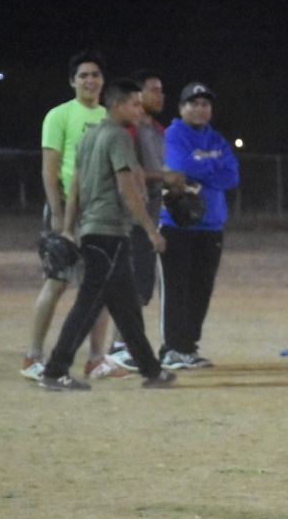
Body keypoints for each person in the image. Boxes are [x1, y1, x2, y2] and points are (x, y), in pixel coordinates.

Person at [38, 79, 176, 391]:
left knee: (126, 308)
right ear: (118, 106)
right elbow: (127, 188)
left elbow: (74, 186)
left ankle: (151, 370)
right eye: (135, 104)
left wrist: (69, 228)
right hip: (109, 232)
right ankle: (55, 369)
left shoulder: (90, 137)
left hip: (93, 230)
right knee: (87, 306)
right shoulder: (117, 137)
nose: (140, 110)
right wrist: (151, 230)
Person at [21, 50, 127, 382]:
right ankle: (32, 356)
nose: (90, 80)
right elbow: (49, 169)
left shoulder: (109, 118)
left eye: (95, 75)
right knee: (57, 282)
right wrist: (57, 213)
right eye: (83, 75)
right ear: (72, 81)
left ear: (103, 81)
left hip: (99, 211)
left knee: (100, 287)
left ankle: (97, 359)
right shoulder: (59, 116)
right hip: (67, 207)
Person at [153, 81, 238, 370]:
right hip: (177, 225)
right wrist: (210, 168)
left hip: (211, 226)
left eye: (205, 104)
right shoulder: (174, 134)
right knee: (175, 289)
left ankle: (188, 347)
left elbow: (232, 176)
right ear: (181, 108)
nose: (201, 109)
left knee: (200, 290)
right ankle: (170, 349)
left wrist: (200, 171)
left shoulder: (216, 138)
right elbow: (180, 165)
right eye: (194, 103)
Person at [108, 70, 177, 363]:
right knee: (137, 286)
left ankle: (119, 345)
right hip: (132, 218)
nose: (160, 95)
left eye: (162, 90)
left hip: (149, 214)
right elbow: (128, 173)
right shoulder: (130, 131)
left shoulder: (158, 130)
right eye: (153, 90)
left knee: (141, 287)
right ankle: (119, 347)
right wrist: (164, 177)